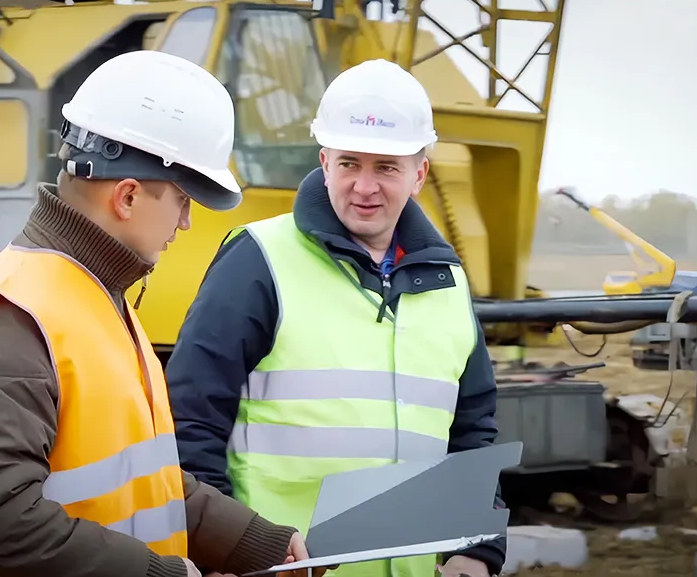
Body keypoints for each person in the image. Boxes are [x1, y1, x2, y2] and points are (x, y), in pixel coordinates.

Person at [0, 50, 321, 577]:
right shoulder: (14, 320)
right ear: (127, 197)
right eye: (182, 200)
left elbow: (142, 479)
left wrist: (254, 542)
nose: (186, 223)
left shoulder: (97, 297)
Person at [165, 58, 508, 577]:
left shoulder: (449, 281)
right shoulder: (259, 260)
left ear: (420, 173)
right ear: (324, 162)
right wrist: (219, 549)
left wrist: (477, 550)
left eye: (387, 167)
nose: (364, 187)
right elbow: (190, 421)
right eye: (350, 163)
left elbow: (473, 430)